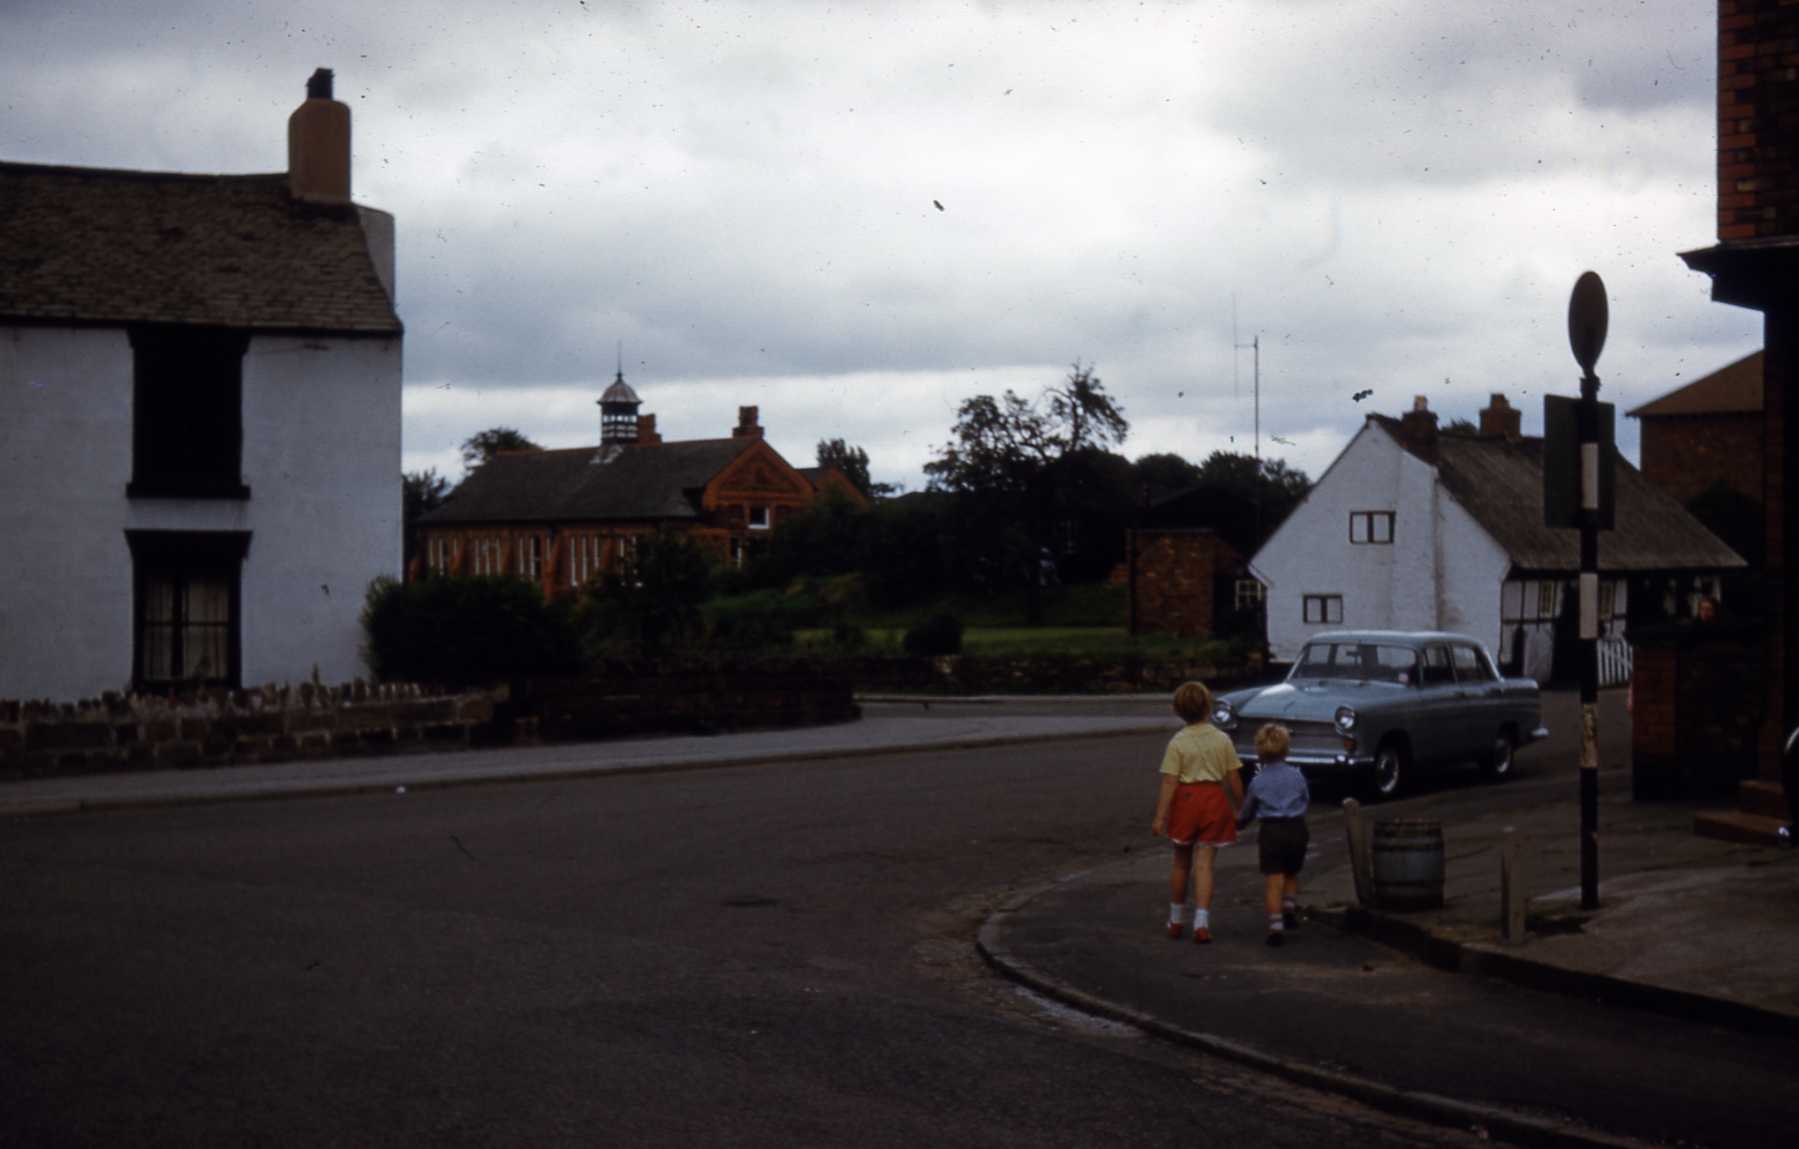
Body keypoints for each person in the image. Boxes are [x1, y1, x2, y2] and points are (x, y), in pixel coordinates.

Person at [1150, 681, 1244, 944]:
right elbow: (1233, 777)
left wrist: (1160, 816)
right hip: (1213, 799)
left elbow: (1169, 781)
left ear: (1178, 711)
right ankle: (1201, 922)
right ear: (1208, 708)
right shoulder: (1222, 739)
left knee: (1181, 863)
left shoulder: (1177, 742)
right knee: (1205, 865)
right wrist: (1241, 805)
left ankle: (1176, 919)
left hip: (1186, 800)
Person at [1236, 723, 1310, 947]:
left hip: (1272, 831)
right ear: (1286, 749)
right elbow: (1305, 800)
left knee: (1273, 879)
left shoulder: (1258, 781)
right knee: (1291, 872)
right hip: (1297, 828)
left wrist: (1239, 824)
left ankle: (1275, 927)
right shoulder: (1297, 776)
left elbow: (1247, 810)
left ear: (1259, 751)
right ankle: (1289, 910)